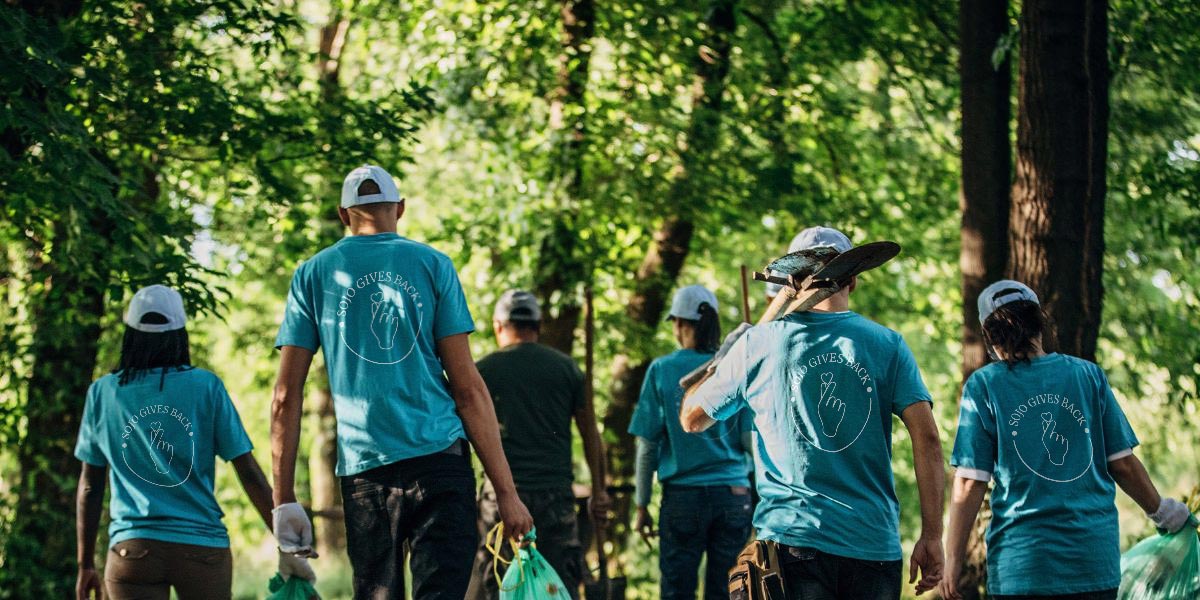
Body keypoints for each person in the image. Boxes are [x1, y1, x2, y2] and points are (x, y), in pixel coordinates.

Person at [270, 165, 533, 599]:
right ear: (401, 209)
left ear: (343, 214)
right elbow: (467, 388)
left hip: (366, 472)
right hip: (440, 461)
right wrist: (507, 493)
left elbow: (285, 396)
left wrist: (284, 501)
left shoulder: (313, 275)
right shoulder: (433, 265)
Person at [680, 226, 946, 599]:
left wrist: (719, 364)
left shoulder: (757, 344)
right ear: (853, 279)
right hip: (872, 548)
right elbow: (929, 438)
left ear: (790, 280)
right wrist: (933, 536)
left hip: (792, 544)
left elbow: (691, 418)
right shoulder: (888, 345)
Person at [939, 280, 1194, 600]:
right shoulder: (1088, 377)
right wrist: (1164, 513)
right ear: (1039, 322)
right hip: (1091, 565)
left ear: (990, 336)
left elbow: (969, 483)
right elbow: (1123, 464)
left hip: (1023, 567)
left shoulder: (985, 385)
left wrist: (953, 563)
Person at [74, 285, 302, 600]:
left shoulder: (103, 393)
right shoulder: (206, 387)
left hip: (133, 549)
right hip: (202, 549)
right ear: (180, 333)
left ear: (130, 333)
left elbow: (90, 485)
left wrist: (85, 564)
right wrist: (288, 543)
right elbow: (248, 472)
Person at [466, 290, 611, 599]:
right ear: (538, 325)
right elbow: (590, 436)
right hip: (555, 497)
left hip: (500, 498)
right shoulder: (566, 368)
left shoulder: (481, 372)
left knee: (503, 585)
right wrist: (600, 490)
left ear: (498, 325)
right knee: (557, 584)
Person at [629, 284, 753, 600]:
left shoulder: (661, 370)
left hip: (683, 500)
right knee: (727, 593)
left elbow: (647, 448)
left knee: (677, 592)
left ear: (681, 323)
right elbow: (750, 442)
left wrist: (641, 504)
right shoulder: (735, 366)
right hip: (734, 497)